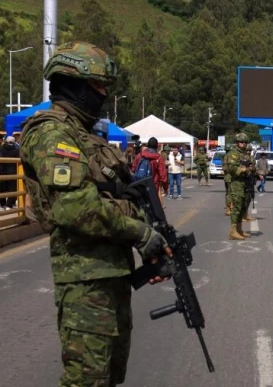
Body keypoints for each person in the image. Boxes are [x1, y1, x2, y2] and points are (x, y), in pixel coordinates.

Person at [18, 41, 171, 386]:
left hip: (112, 276)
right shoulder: (52, 132)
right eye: (98, 86)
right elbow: (77, 209)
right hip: (86, 283)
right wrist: (141, 235)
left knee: (109, 379)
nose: (102, 94)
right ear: (74, 85)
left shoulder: (88, 136)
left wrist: (153, 245)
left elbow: (120, 196)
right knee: (87, 382)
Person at [224, 133, 254, 240]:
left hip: (245, 183)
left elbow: (250, 166)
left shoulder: (245, 154)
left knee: (243, 207)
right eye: (242, 142)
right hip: (236, 183)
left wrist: (250, 169)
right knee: (236, 207)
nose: (244, 144)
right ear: (237, 143)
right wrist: (244, 170)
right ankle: (233, 232)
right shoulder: (233, 154)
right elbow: (232, 168)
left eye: (246, 142)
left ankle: (239, 229)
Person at [0, 135, 20, 210]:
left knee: (2, 188)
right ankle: (9, 204)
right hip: (13, 172)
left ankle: (2, 204)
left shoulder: (1, 149)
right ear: (14, 142)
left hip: (2, 172)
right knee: (12, 189)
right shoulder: (16, 150)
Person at [223, 144, 232, 215]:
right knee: (230, 193)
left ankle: (229, 206)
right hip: (229, 177)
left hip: (227, 177)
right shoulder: (228, 157)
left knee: (228, 193)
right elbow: (225, 168)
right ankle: (228, 208)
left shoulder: (225, 157)